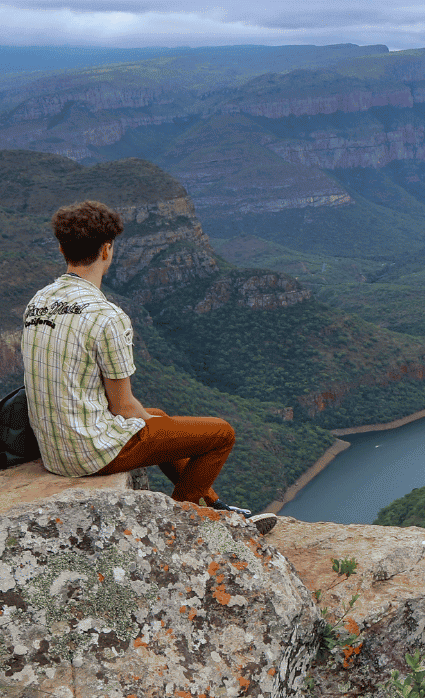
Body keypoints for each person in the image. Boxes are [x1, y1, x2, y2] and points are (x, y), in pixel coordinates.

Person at [21, 200, 275, 532]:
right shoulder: (105, 315)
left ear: (61, 248)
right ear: (107, 250)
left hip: (55, 451)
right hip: (90, 454)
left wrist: (153, 423)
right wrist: (147, 425)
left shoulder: (38, 301)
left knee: (157, 417)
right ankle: (180, 523)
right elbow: (124, 408)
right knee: (221, 434)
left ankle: (211, 504)